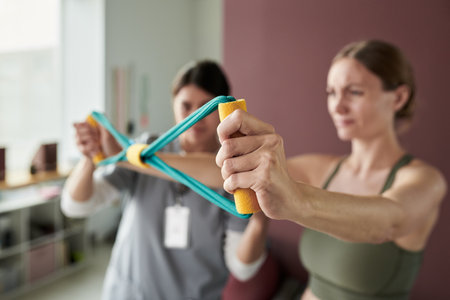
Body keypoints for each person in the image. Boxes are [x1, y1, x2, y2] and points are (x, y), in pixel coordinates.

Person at [214, 40, 447, 300]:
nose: (337, 106)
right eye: (332, 93)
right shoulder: (324, 169)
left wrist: (297, 201)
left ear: (399, 97)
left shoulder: (425, 181)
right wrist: (159, 156)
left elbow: (390, 222)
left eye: (354, 92)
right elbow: (224, 170)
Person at [61, 60, 268, 299]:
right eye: (186, 106)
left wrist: (261, 221)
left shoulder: (234, 169)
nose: (195, 117)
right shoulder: (146, 147)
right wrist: (91, 157)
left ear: (223, 110)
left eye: (205, 107)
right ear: (173, 105)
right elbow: (76, 206)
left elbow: (242, 269)